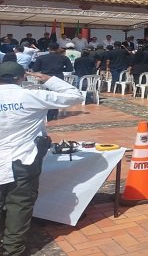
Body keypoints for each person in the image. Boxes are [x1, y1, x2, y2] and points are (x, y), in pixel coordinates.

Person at [0, 62, 83, 255]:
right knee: (19, 206)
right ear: (21, 78)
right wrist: (49, 79)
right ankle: (13, 250)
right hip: (23, 160)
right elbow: (75, 96)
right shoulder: (32, 95)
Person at [31, 42, 73, 121]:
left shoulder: (41, 57)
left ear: (48, 48)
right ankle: (54, 113)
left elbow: (35, 69)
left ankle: (47, 113)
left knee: (46, 95)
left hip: (45, 78)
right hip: (58, 78)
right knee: (56, 96)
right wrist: (60, 69)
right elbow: (70, 69)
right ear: (58, 48)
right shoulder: (63, 58)